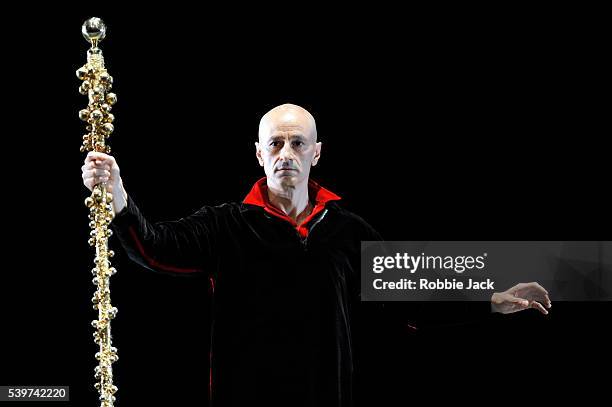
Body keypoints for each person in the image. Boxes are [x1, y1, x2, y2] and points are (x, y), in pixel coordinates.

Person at [81, 103, 552, 406]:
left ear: (316, 153)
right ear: (260, 155)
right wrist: (119, 193)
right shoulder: (225, 224)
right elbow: (155, 248)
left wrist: (491, 298)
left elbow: (410, 294)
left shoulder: (347, 229)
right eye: (276, 144)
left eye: (297, 143)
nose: (286, 153)